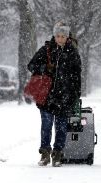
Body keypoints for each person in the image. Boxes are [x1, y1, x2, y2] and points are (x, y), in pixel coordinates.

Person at [27, 21, 81, 167]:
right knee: (46, 125)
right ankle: (45, 153)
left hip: (65, 96)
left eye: (63, 36)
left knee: (62, 127)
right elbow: (31, 65)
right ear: (54, 35)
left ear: (67, 36)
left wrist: (76, 94)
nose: (60, 39)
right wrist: (45, 68)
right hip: (46, 96)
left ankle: (58, 153)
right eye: (57, 36)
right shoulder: (46, 50)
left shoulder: (72, 53)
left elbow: (77, 75)